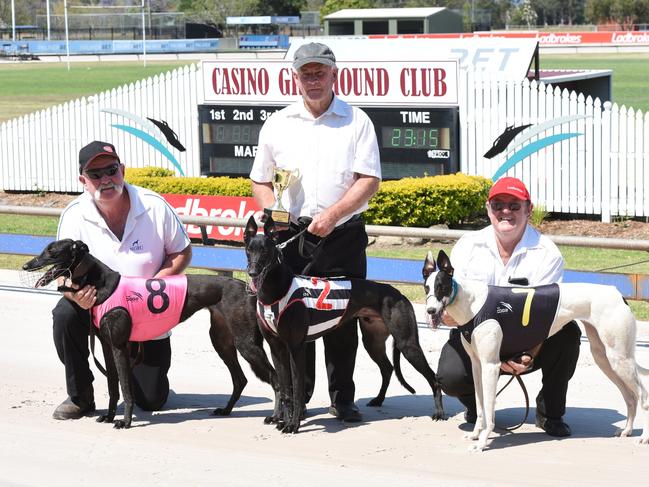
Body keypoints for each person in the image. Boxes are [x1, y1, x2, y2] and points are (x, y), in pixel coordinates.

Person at [250, 42, 381, 422]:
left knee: (343, 319)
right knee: (292, 318)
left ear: (334, 74)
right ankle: (298, 398)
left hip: (342, 235)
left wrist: (333, 214)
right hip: (292, 237)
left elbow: (369, 180)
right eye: (306, 73)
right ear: (295, 77)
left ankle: (342, 398)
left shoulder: (357, 121)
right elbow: (260, 180)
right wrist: (269, 210)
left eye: (319, 72)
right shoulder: (277, 123)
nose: (313, 80)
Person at [51, 140, 192, 420]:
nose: (106, 179)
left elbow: (182, 251)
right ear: (83, 180)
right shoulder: (73, 216)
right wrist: (75, 295)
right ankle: (80, 396)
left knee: (151, 401)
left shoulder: (154, 206)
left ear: (122, 170)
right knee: (65, 312)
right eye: (96, 174)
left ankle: (141, 373)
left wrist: (156, 284)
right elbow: (61, 277)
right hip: (97, 312)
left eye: (111, 170)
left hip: (145, 312)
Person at [436, 176, 581, 437]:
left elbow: (550, 315)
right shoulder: (467, 246)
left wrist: (530, 355)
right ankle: (479, 409)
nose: (505, 211)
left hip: (527, 340)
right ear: (488, 208)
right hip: (476, 338)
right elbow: (453, 301)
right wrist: (448, 315)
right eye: (498, 204)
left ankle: (550, 414)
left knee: (568, 332)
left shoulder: (547, 252)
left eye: (514, 206)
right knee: (449, 375)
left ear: (529, 209)